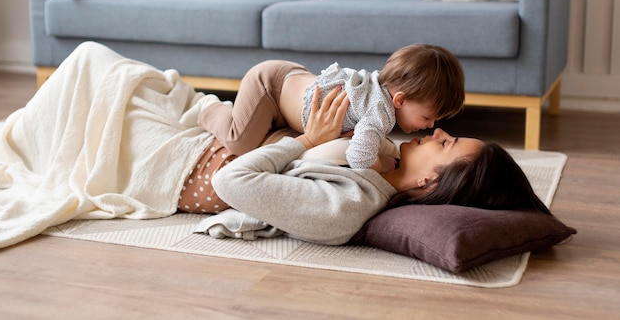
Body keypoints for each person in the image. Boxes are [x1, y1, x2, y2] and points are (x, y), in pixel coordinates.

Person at [184, 84, 551, 246]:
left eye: (446, 144)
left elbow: (229, 180)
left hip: (194, 165)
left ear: (429, 182)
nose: (438, 131)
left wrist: (308, 141)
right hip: (226, 133)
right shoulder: (384, 152)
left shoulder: (346, 207)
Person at [196, 44, 466, 171]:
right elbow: (360, 159)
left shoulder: (380, 96)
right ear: (400, 100)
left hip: (294, 84)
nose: (431, 126)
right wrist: (390, 163)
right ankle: (208, 108)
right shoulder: (379, 114)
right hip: (270, 88)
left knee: (276, 144)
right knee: (239, 143)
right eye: (428, 117)